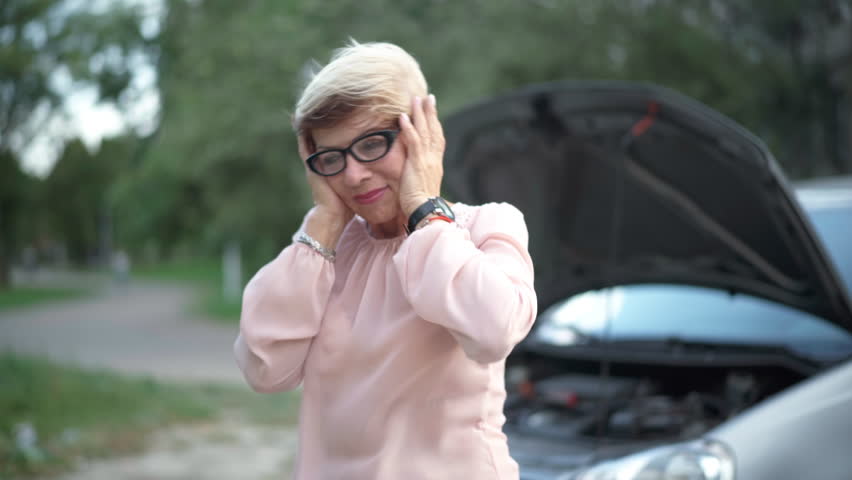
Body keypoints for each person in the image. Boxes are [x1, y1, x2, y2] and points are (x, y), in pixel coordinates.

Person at [233, 40, 538, 479]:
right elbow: (265, 370)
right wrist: (324, 219)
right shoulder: (325, 252)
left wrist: (423, 207)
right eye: (331, 157)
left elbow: (493, 331)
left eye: (372, 143)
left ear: (422, 133)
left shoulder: (485, 227)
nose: (353, 174)